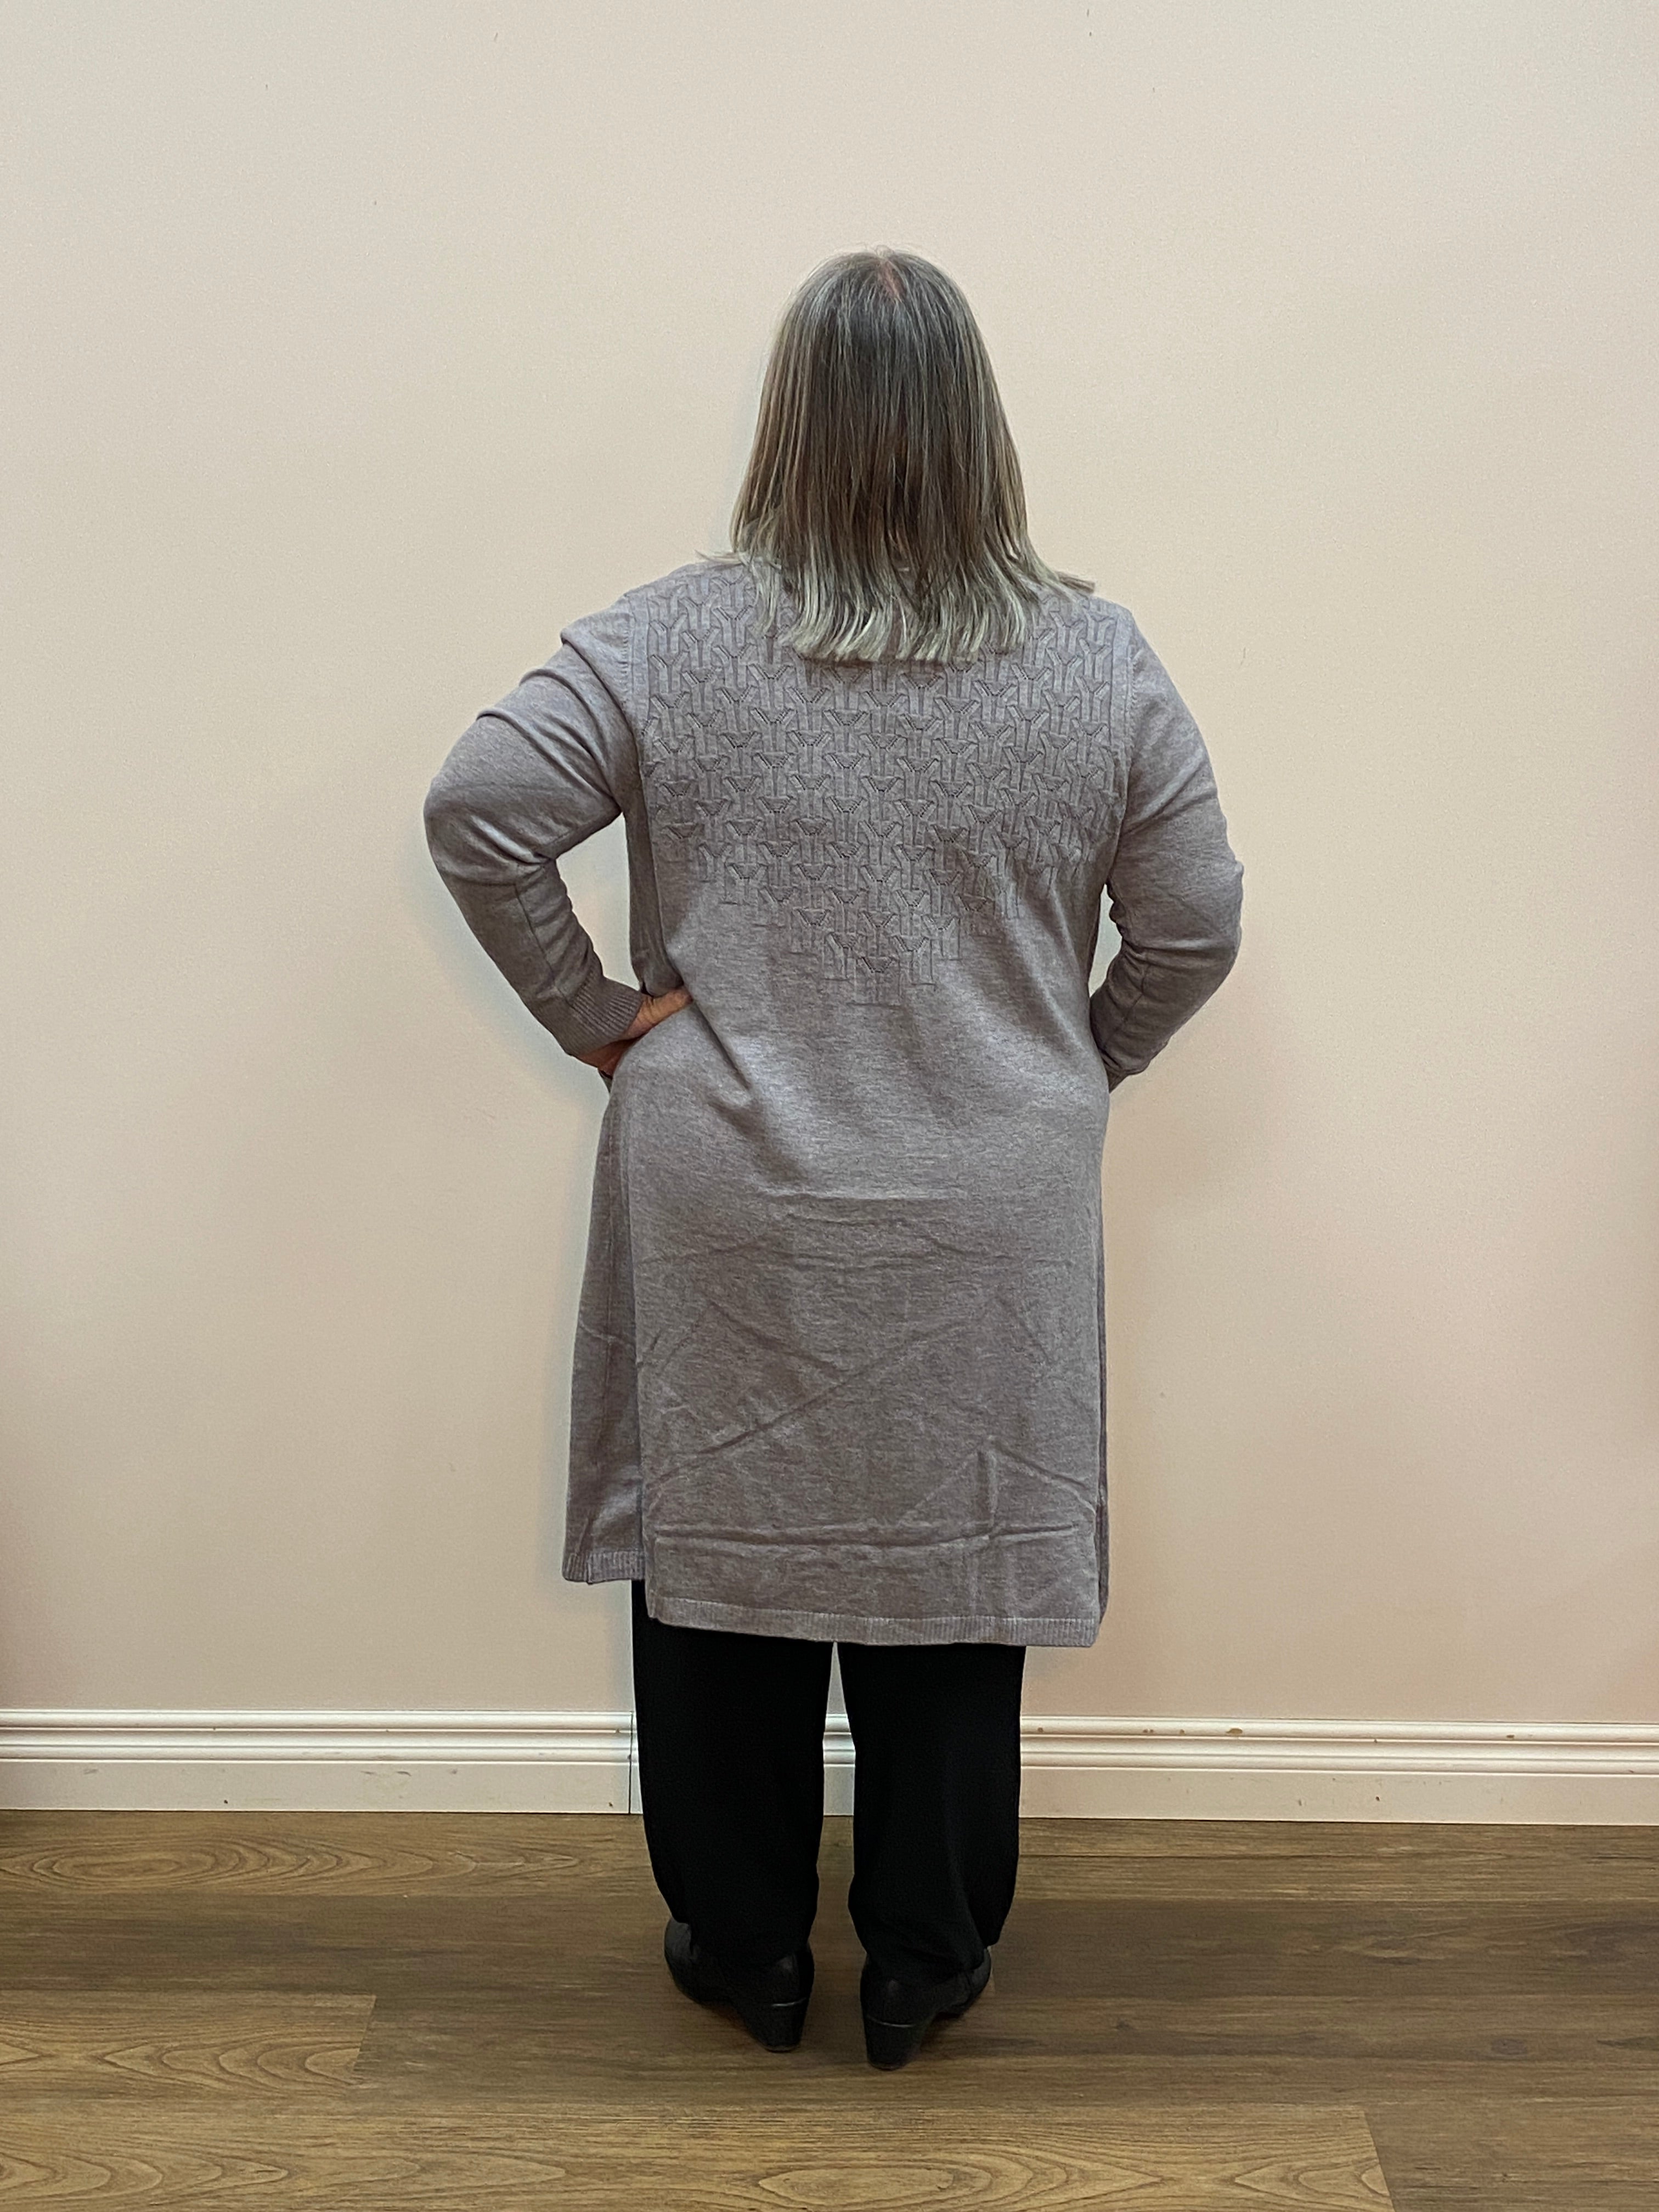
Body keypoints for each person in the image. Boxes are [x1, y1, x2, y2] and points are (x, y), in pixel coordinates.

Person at [422, 246, 1244, 2069]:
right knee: (955, 1569)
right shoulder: (1096, 656)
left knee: (720, 1559)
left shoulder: (665, 636)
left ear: (788, 422)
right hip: (988, 1204)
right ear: (982, 429)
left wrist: (599, 1017)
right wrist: (1065, 1070)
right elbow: (1194, 923)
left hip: (729, 1178)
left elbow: (482, 808)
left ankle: (744, 1948)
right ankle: (926, 1960)